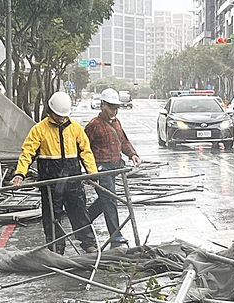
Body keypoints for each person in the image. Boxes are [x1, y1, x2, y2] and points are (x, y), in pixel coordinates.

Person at [11, 91, 98, 254]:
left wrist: (92, 174)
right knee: (52, 216)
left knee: (79, 211)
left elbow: (86, 152)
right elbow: (27, 153)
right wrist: (20, 173)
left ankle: (88, 242)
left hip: (73, 180)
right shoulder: (39, 130)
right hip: (51, 182)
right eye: (58, 116)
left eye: (64, 116)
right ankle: (56, 248)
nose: (61, 119)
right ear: (50, 112)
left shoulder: (76, 129)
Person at [85, 88, 141, 248]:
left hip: (115, 167)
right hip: (100, 168)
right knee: (110, 199)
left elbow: (124, 141)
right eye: (110, 107)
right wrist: (89, 171)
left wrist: (132, 154)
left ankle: (83, 221)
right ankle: (115, 235)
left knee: (106, 199)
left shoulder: (116, 123)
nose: (114, 111)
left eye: (116, 107)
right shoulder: (94, 125)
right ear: (102, 105)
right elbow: (83, 148)